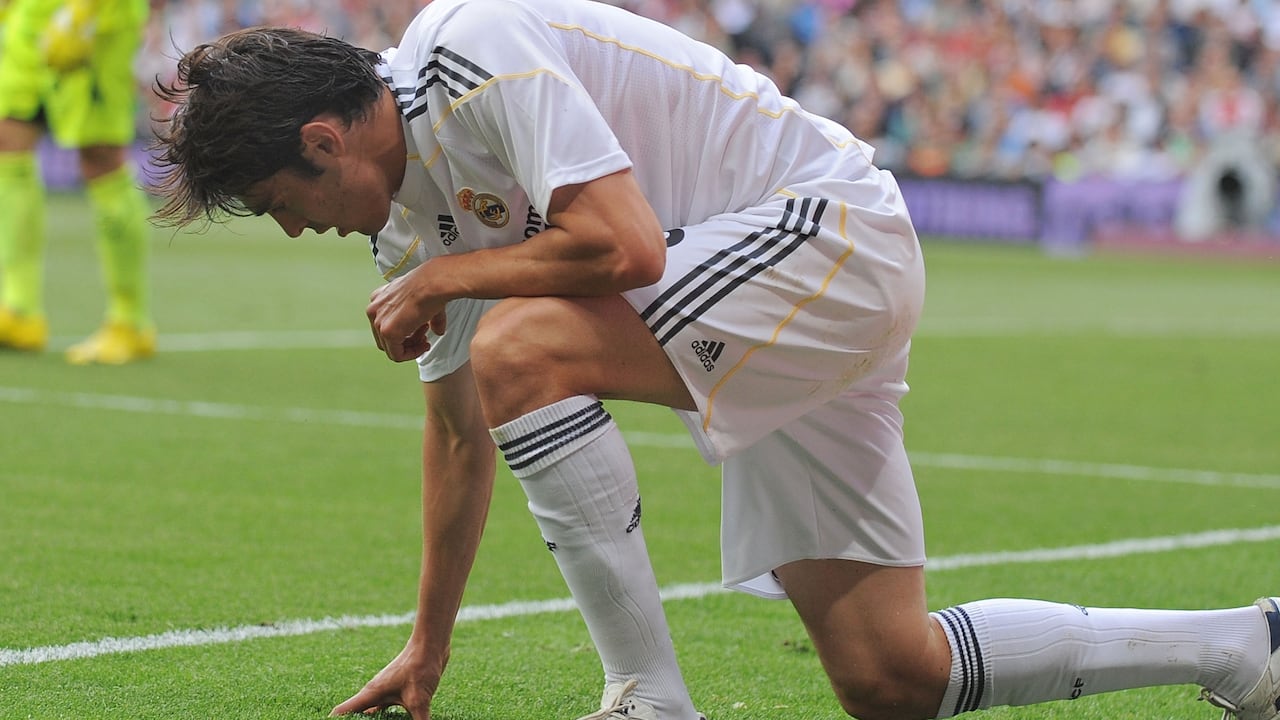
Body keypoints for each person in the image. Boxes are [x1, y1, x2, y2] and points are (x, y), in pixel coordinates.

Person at [149, 2, 1280, 719]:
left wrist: (449, 282)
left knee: (523, 345)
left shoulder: (466, 47)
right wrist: (426, 647)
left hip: (823, 234)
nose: (297, 231)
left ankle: (647, 698)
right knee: (890, 678)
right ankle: (1241, 650)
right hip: (763, 305)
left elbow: (623, 246)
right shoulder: (411, 226)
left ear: (322, 140)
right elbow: (457, 439)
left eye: (278, 205)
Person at [0, 0, 155, 363]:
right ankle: (18, 309)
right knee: (8, 141)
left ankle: (129, 320)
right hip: (31, 15)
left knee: (100, 157)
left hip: (96, 16)